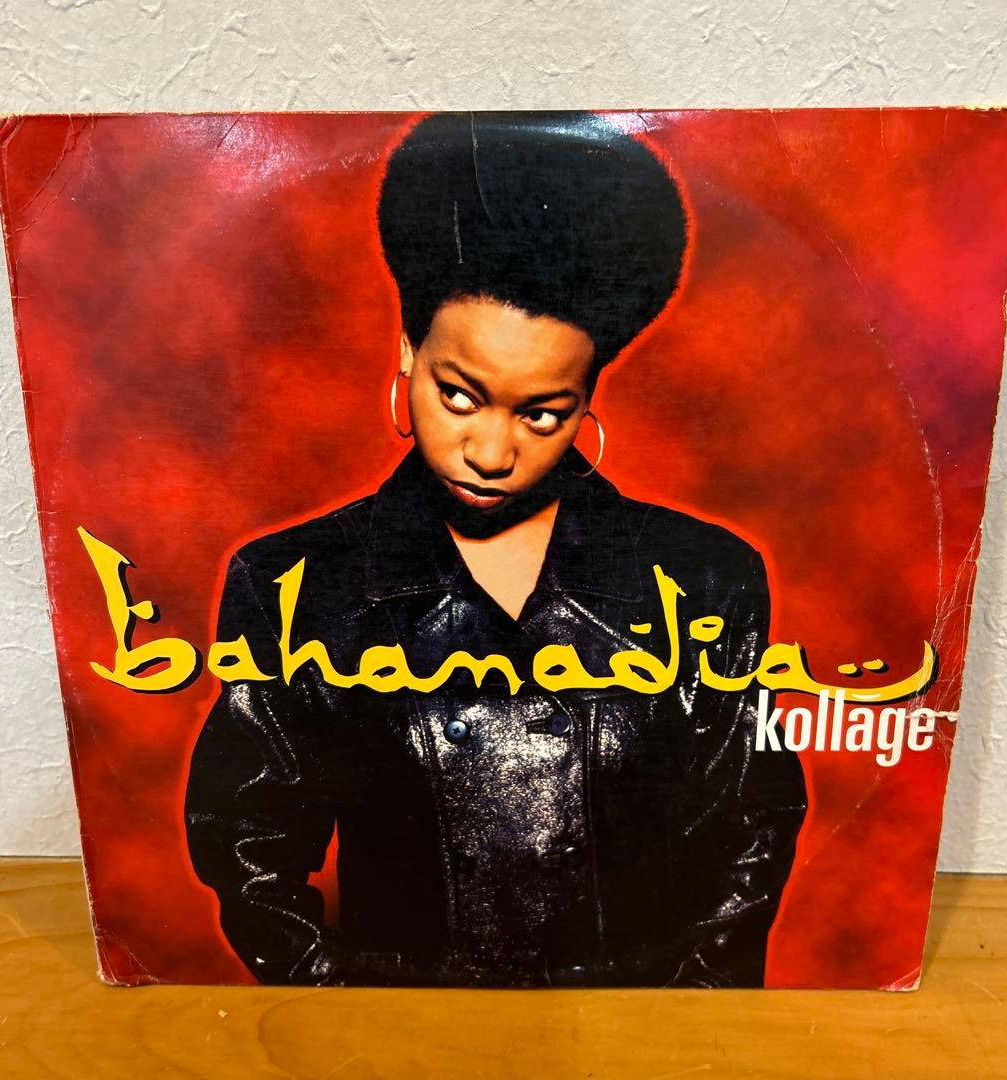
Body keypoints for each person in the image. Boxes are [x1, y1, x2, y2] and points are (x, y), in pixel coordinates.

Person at [184, 111, 807, 988]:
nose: (490, 451)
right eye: (460, 395)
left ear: (587, 399)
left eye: (541, 413)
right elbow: (248, 844)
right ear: (409, 350)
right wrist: (344, 1017)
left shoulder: (703, 579)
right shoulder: (293, 583)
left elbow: (749, 835)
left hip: (632, 1035)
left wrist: (678, 1028)